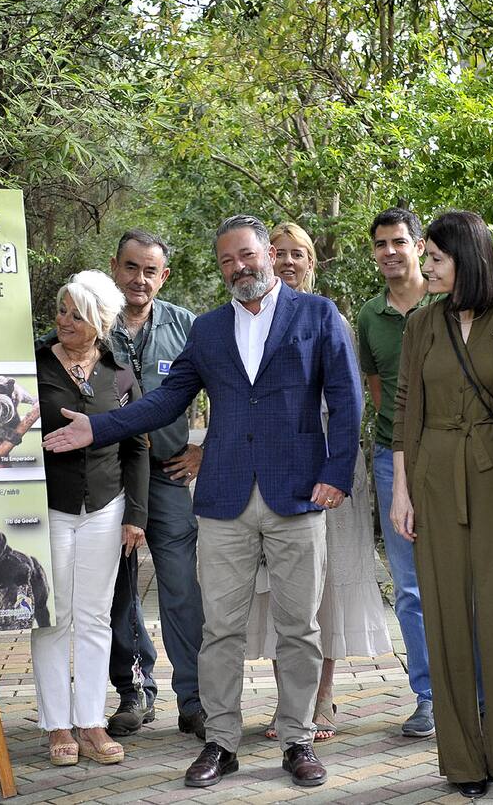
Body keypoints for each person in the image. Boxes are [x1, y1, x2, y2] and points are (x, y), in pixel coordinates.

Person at [44, 214, 362, 790]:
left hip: (299, 494)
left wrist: (336, 474)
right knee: (220, 629)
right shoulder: (209, 330)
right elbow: (167, 400)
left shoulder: (319, 316)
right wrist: (99, 428)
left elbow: (345, 398)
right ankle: (221, 741)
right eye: (226, 261)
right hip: (223, 499)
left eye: (247, 255)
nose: (239, 268)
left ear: (267, 253)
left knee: (299, 628)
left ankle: (297, 740)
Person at [390, 211, 493, 800]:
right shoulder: (420, 325)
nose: (424, 267)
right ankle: (464, 767)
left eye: (434, 258)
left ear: (467, 261)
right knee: (445, 619)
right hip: (432, 480)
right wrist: (401, 491)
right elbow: (405, 409)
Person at [246, 221, 390, 742]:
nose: (287, 261)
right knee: (281, 585)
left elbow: (351, 401)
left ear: (311, 262)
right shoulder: (253, 319)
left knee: (324, 585)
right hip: (274, 469)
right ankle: (289, 702)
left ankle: (322, 699)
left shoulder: (331, 317)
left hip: (329, 465)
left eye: (297, 254)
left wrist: (336, 469)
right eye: (278, 253)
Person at [31, 270, 149, 767]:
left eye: (77, 314)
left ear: (99, 320)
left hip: (106, 508)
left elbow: (137, 446)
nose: (65, 321)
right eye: (61, 310)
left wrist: (135, 515)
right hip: (48, 510)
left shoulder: (119, 374)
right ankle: (57, 724)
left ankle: (91, 722)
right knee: (53, 618)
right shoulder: (33, 366)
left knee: (97, 617)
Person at [103, 229, 206, 739]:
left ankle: (195, 698)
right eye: (130, 268)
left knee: (181, 588)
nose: (139, 280)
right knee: (117, 589)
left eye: (150, 271)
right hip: (105, 480)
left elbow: (229, 390)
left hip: (166, 475)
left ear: (163, 276)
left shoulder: (188, 326)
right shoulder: (92, 322)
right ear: (114, 268)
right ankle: (134, 690)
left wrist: (203, 449)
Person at [355, 205, 439, 738]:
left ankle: (476, 693)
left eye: (398, 243)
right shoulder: (370, 316)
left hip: (452, 458)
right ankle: (428, 697)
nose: (389, 252)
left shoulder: (450, 301)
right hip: (392, 458)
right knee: (409, 585)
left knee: (462, 578)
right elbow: (379, 389)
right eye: (381, 244)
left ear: (418, 244)